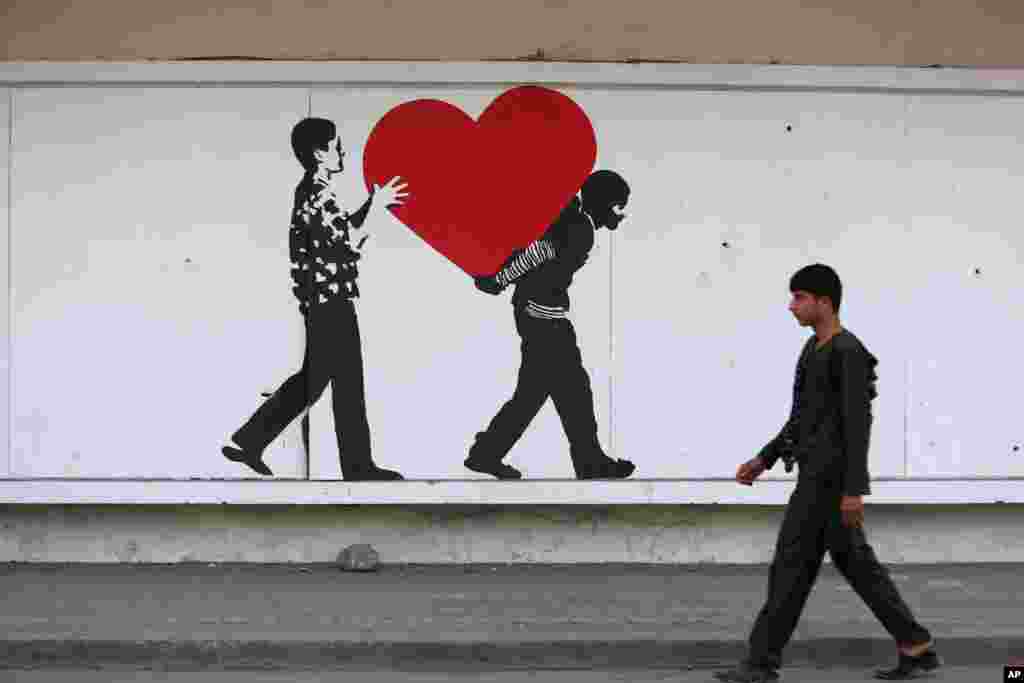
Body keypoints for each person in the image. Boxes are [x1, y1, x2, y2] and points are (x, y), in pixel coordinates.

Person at [714, 264, 942, 682]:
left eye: (799, 297)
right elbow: (799, 419)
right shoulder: (811, 350)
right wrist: (764, 459)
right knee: (856, 568)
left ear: (824, 302)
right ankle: (916, 646)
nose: (791, 306)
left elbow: (858, 425)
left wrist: (853, 490)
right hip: (815, 479)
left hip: (831, 486)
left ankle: (760, 664)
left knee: (790, 569)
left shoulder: (848, 353)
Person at [222, 117, 408, 480]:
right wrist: (378, 205)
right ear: (319, 152)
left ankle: (251, 440)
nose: (341, 151)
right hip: (331, 300)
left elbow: (338, 233)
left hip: (321, 299)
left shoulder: (313, 191)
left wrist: (372, 204)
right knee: (346, 382)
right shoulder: (317, 192)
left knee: (316, 379)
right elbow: (348, 241)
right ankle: (357, 466)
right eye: (336, 145)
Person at [465, 170, 636, 480]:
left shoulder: (577, 221)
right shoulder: (579, 226)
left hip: (545, 314)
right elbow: (538, 252)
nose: (621, 214)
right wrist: (499, 280)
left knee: (544, 393)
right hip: (542, 316)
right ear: (602, 202)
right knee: (568, 391)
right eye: (618, 206)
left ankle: (488, 453)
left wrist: (499, 281)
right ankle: (588, 462)